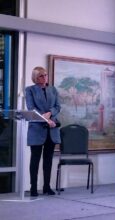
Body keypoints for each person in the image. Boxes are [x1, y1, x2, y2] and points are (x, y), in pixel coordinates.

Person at [25, 66, 61, 197]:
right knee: (35, 159)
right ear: (35, 77)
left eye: (45, 75)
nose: (45, 77)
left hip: (52, 130)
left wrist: (50, 113)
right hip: (37, 130)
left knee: (48, 160)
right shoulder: (30, 90)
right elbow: (31, 108)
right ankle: (33, 187)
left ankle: (47, 186)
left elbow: (58, 106)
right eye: (41, 75)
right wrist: (45, 119)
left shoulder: (53, 89)